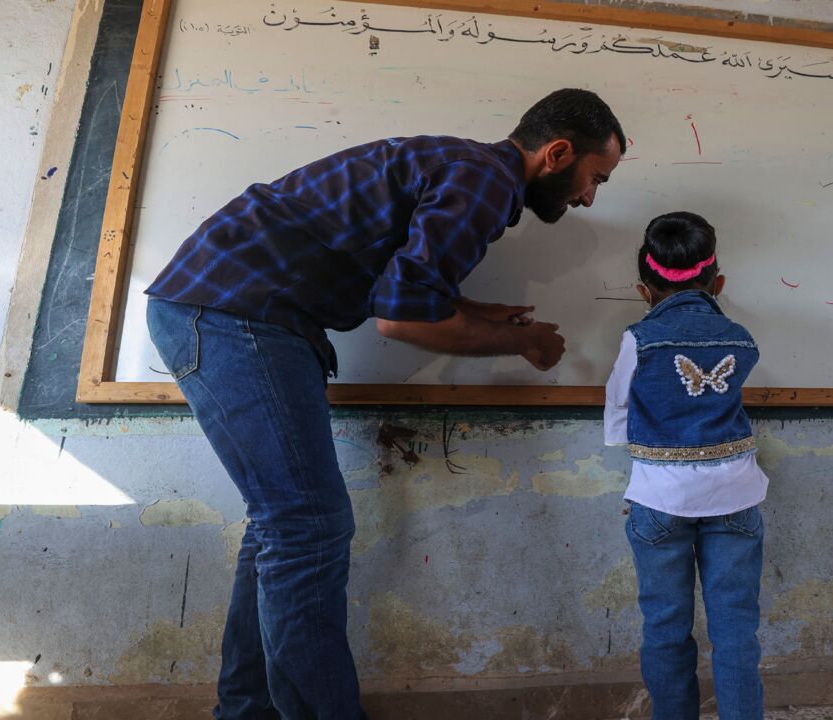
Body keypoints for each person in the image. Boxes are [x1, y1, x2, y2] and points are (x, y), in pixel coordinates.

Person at [144, 88, 624, 719]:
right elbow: (401, 320)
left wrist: (479, 312)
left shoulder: (467, 168)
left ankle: (246, 712)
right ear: (558, 154)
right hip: (239, 313)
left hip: (236, 308)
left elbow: (398, 286)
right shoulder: (485, 181)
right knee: (307, 528)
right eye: (595, 178)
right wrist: (523, 340)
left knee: (284, 528)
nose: (590, 196)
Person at [604, 212, 768, 720]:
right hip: (736, 497)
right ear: (717, 282)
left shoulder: (639, 337)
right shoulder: (740, 337)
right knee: (736, 629)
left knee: (666, 626)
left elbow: (618, 410)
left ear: (642, 289)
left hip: (660, 501)